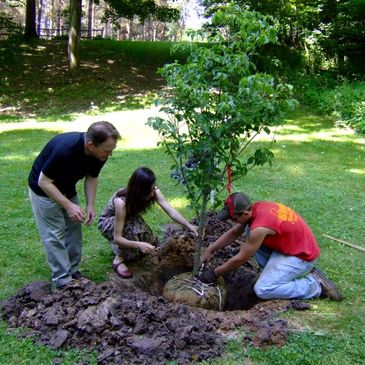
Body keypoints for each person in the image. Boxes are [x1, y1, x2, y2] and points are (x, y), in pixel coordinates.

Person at [199, 192, 343, 301]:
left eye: (234, 218)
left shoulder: (260, 227)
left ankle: (314, 285)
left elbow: (241, 259)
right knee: (248, 230)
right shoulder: (257, 209)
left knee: (263, 289)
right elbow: (234, 232)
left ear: (244, 213)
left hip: (302, 256)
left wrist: (215, 273)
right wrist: (210, 249)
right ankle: (282, 275)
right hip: (292, 247)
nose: (232, 221)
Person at [28, 121, 121, 289]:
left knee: (74, 230)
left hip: (66, 187)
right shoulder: (65, 150)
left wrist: (90, 205)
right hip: (44, 191)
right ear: (91, 145)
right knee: (55, 234)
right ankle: (63, 280)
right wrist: (69, 206)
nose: (110, 154)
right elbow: (44, 182)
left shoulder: (100, 154)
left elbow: (92, 176)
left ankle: (72, 270)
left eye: (112, 149)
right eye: (107, 150)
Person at [98, 167, 198, 279]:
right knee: (132, 232)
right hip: (109, 222)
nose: (152, 193)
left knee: (149, 241)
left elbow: (170, 210)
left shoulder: (153, 191)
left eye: (153, 188)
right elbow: (118, 238)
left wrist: (189, 226)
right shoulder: (121, 202)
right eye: (149, 190)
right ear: (139, 191)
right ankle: (119, 258)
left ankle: (133, 245)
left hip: (130, 218)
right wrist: (139, 244)